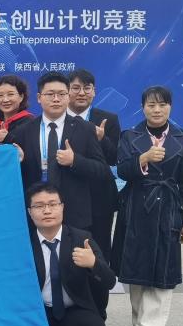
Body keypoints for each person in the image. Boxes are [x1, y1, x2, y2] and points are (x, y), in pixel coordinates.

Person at [2, 183, 113, 326]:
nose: (47, 210)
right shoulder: (21, 243)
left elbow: (109, 281)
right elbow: (10, 289)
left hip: (73, 311)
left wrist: (93, 264)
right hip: (37, 312)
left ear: (62, 207)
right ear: (30, 212)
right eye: (39, 206)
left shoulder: (82, 238)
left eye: (53, 204)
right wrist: (30, 324)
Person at [112, 86, 183, 326]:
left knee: (162, 275)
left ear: (170, 107)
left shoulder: (182, 140)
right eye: (151, 105)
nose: (157, 110)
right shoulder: (130, 136)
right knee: (136, 274)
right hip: (136, 209)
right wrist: (143, 158)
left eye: (162, 105)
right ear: (143, 108)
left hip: (168, 210)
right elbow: (122, 169)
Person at [9, 72, 109, 231]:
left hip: (74, 214)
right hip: (36, 212)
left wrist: (75, 161)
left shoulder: (85, 129)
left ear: (68, 97)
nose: (56, 99)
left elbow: (102, 171)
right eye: (50, 94)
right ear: (39, 97)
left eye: (62, 94)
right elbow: (15, 178)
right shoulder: (23, 131)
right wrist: (18, 161)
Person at [67, 68, 121, 318]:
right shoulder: (57, 119)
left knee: (99, 256)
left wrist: (102, 139)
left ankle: (99, 314)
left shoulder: (107, 119)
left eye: (87, 88)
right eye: (76, 88)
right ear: (68, 91)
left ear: (94, 92)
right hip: (68, 200)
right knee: (70, 254)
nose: (81, 93)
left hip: (100, 201)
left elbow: (115, 158)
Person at [0, 75, 33, 145]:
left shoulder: (31, 124)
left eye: (10, 94)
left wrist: (8, 138)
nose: (5, 100)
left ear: (21, 97)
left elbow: (35, 148)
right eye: (0, 95)